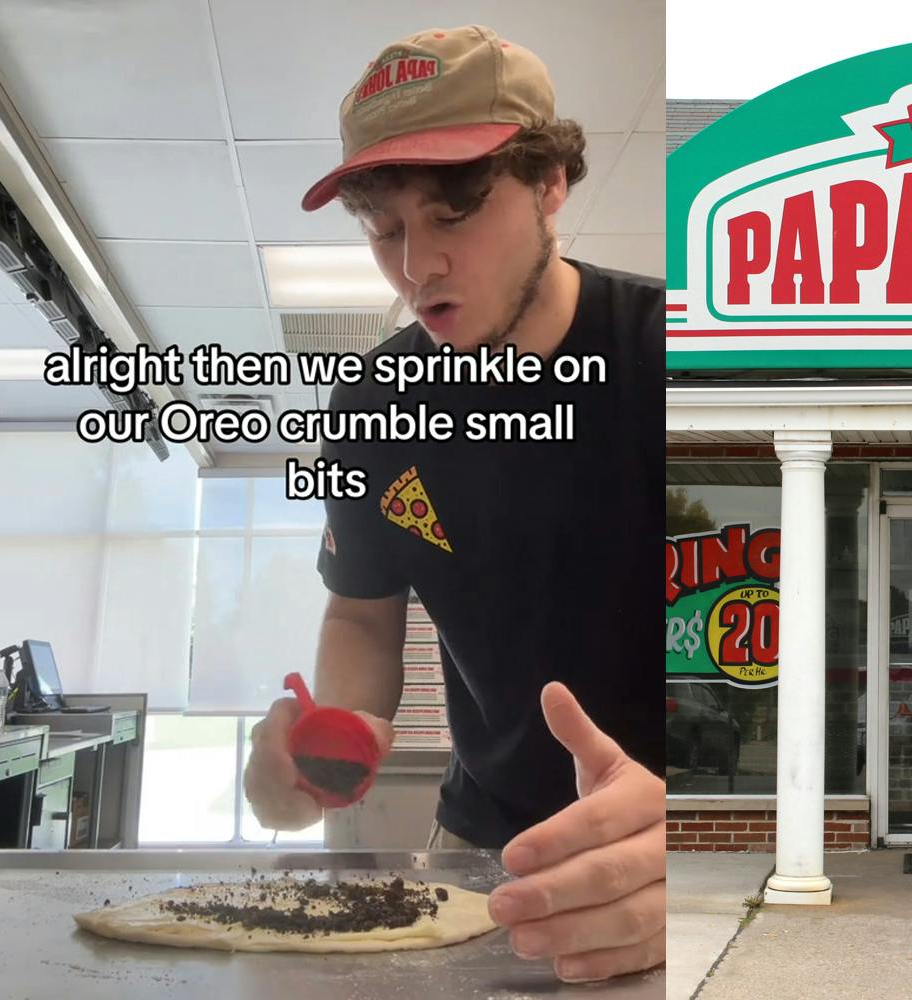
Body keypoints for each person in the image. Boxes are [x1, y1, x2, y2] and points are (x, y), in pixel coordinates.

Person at [241, 26, 666, 981]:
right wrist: (325, 748)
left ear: (551, 182)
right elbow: (360, 610)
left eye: (454, 212)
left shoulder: (672, 362)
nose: (416, 266)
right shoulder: (372, 410)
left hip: (677, 848)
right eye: (386, 229)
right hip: (480, 845)